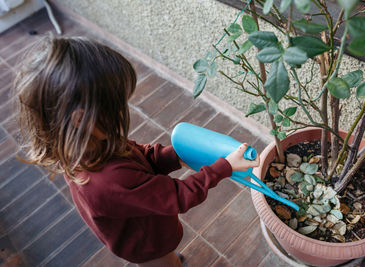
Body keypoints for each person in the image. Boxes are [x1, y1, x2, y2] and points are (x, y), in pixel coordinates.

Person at [13, 36, 260, 266]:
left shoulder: (87, 143)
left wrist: (176, 156)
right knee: (164, 262)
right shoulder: (109, 179)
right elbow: (178, 195)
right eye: (116, 105)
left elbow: (140, 156)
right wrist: (224, 168)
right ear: (81, 118)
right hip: (145, 243)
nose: (123, 109)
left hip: (143, 223)